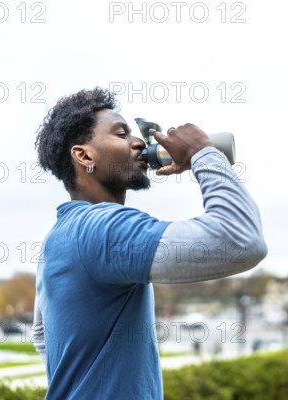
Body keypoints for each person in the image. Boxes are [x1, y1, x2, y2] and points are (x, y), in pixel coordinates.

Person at [31, 87, 267, 399]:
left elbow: (41, 335)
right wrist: (203, 153)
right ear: (85, 155)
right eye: (120, 133)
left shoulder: (60, 236)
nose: (139, 142)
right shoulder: (103, 229)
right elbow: (242, 239)